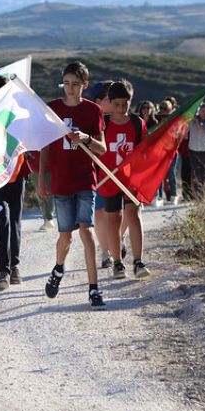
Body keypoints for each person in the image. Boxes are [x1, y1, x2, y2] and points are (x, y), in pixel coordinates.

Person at [38, 61, 107, 309]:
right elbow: (45, 147)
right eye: (66, 83)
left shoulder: (93, 111)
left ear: (84, 85)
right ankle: (58, 269)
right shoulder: (53, 109)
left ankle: (94, 289)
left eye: (75, 84)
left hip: (86, 179)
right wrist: (41, 178)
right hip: (61, 179)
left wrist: (86, 139)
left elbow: (102, 148)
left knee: (86, 231)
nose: (70, 88)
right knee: (65, 235)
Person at [98, 80, 151, 279]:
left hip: (131, 179)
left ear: (130, 102)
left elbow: (143, 150)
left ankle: (138, 261)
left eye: (125, 104)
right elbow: (96, 148)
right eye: (117, 104)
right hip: (109, 179)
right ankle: (118, 263)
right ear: (110, 103)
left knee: (133, 214)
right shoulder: (103, 123)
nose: (121, 109)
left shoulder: (137, 123)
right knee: (114, 219)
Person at [0, 75, 30, 290]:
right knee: (2, 220)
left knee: (15, 221)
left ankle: (15, 267)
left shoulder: (18, 111)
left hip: (18, 173)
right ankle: (3, 270)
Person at [86, 80, 117, 270]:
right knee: (99, 213)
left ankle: (117, 241)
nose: (113, 101)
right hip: (97, 173)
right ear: (98, 101)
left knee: (118, 213)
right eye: (109, 98)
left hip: (117, 173)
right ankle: (106, 253)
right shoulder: (91, 120)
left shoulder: (121, 119)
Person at [188, 102, 205, 198]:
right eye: (203, 111)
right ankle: (199, 197)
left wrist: (196, 121)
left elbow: (203, 130)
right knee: (197, 175)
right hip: (194, 152)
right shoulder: (191, 121)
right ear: (199, 111)